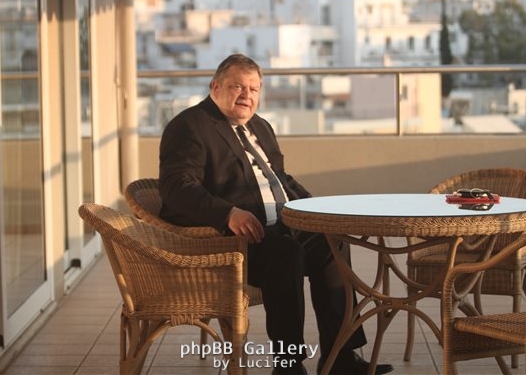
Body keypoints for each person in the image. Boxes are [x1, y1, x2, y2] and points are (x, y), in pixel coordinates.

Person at [159, 53, 394, 375]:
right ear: (215, 87)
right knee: (286, 253)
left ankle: (340, 357)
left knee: (332, 242)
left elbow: (281, 180)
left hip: (279, 227)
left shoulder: (260, 126)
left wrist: (316, 210)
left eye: (254, 89)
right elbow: (176, 187)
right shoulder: (190, 126)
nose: (247, 95)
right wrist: (228, 213)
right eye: (237, 87)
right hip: (229, 239)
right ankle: (288, 365)